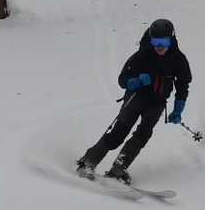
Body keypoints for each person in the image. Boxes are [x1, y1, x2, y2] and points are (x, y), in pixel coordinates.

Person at [77, 18, 192, 183]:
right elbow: (122, 79)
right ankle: (88, 161)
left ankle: (118, 169)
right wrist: (135, 81)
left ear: (171, 39)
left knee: (143, 134)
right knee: (119, 132)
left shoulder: (178, 60)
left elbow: (183, 84)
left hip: (157, 102)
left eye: (164, 42)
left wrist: (178, 109)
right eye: (156, 42)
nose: (159, 47)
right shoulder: (141, 55)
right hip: (136, 97)